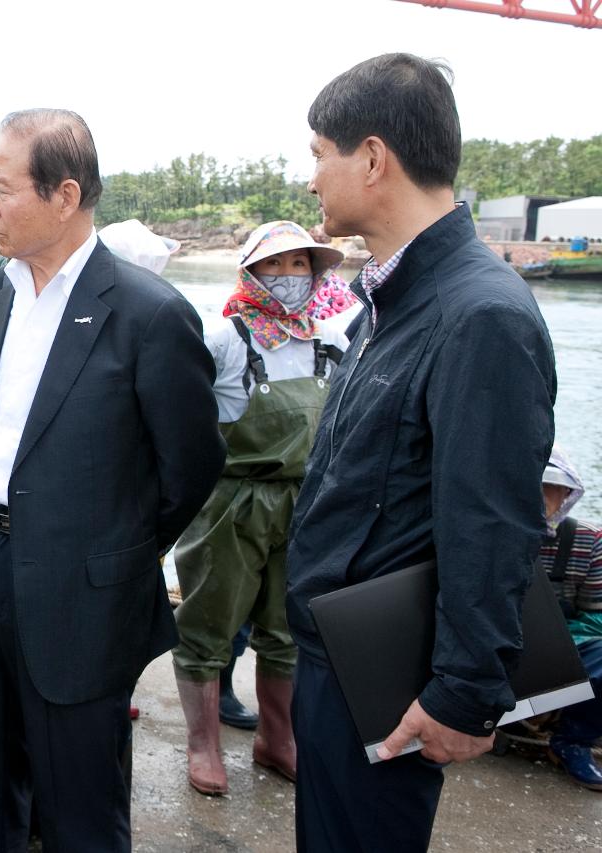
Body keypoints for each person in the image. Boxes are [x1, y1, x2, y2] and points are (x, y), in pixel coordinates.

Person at [0, 109, 225, 852]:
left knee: (79, 798)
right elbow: (6, 409)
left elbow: (190, 467)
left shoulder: (149, 314)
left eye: (1, 189)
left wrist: (111, 549)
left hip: (84, 586)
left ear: (64, 196)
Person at [287, 54, 557, 852]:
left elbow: (493, 522)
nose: (311, 180)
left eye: (317, 154)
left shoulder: (479, 315)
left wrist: (465, 694)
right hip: (337, 648)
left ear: (371, 159)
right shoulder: (393, 298)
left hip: (387, 673)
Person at [171, 220, 350, 795]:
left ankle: (279, 740)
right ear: (250, 270)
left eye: (301, 265)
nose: (289, 277)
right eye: (276, 265)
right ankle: (204, 747)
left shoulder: (331, 338)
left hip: (304, 502)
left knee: (289, 629)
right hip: (230, 502)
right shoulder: (224, 338)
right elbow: (181, 423)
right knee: (207, 626)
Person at [538, 446, 602, 791]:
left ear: (566, 492)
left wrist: (551, 638)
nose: (540, 495)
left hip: (555, 649)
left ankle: (572, 741)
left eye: (550, 485)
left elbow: (595, 619)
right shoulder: (477, 534)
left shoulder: (588, 540)